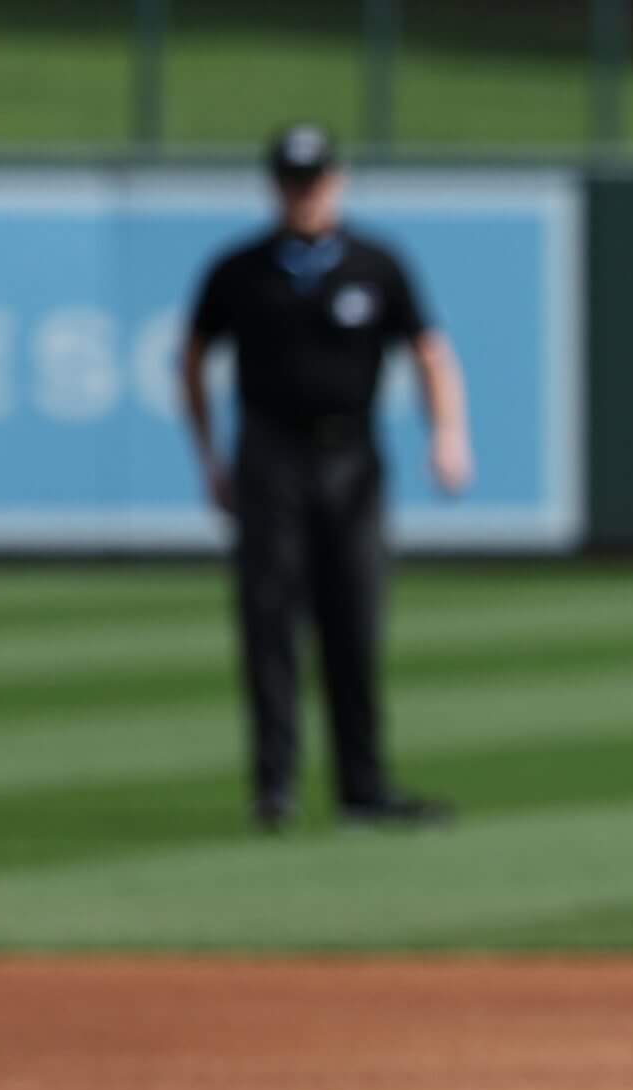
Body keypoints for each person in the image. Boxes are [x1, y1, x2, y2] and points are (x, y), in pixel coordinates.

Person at [180, 123, 473, 832]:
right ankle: (274, 787)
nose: (303, 194)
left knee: (356, 620)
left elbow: (431, 351)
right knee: (269, 621)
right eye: (290, 181)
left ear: (336, 181)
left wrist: (450, 434)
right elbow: (191, 358)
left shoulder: (374, 264)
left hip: (352, 458)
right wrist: (210, 458)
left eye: (313, 180)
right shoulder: (241, 270)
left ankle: (362, 786)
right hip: (269, 456)